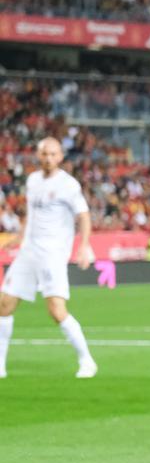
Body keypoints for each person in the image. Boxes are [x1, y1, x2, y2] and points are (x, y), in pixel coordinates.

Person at [0, 137, 97, 379]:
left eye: (53, 154)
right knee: (4, 305)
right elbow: (32, 216)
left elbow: (83, 216)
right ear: (38, 155)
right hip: (28, 251)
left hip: (52, 254)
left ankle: (87, 360)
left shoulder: (68, 185)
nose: (48, 158)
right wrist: (18, 237)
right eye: (44, 154)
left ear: (61, 156)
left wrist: (84, 246)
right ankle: (0, 364)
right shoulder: (32, 181)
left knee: (56, 309)